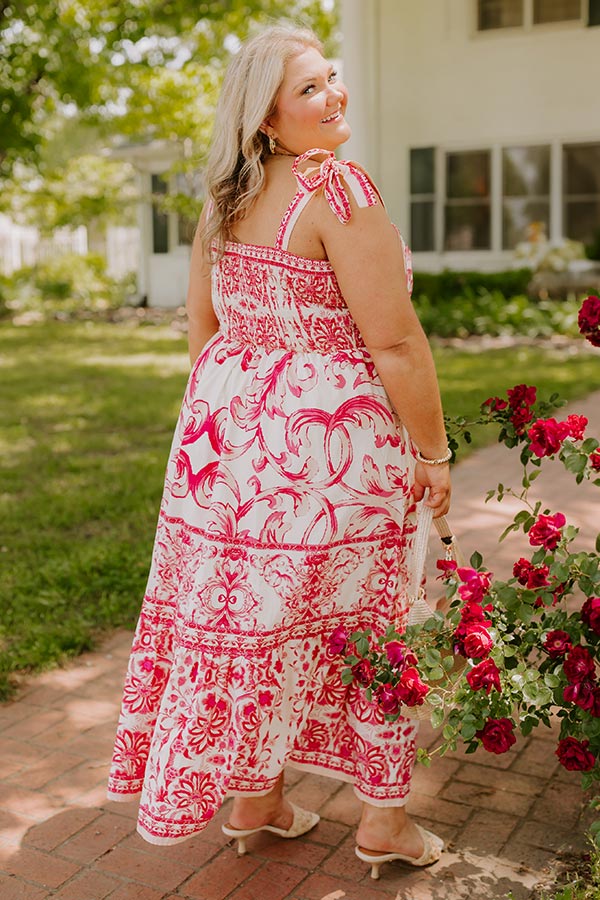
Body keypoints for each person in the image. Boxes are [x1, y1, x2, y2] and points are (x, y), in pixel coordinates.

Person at [107, 24, 451, 879]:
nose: (334, 94)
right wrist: (434, 451)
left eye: (332, 77)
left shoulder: (224, 198)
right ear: (264, 116)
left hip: (227, 448)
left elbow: (203, 323)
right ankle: (383, 822)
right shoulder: (338, 191)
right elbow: (398, 344)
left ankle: (257, 801)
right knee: (366, 624)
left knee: (254, 620)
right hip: (332, 447)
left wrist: (227, 424)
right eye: (308, 89)